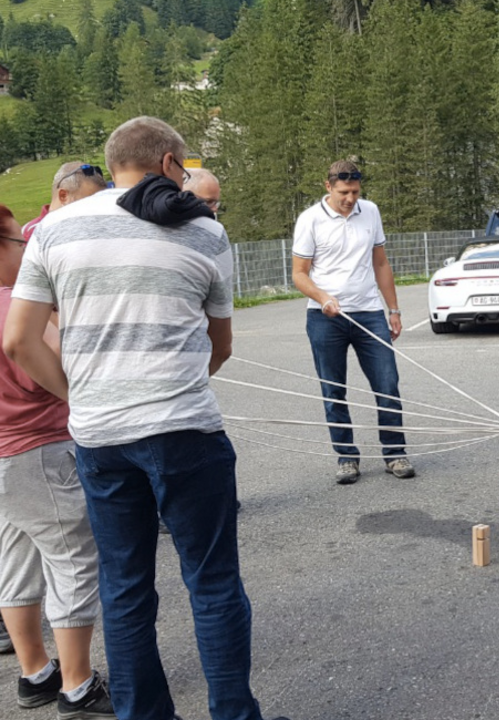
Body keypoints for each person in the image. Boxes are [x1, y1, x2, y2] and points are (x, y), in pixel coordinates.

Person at [3, 116, 289, 720]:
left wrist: (82, 398)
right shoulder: (204, 233)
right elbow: (221, 344)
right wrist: (172, 386)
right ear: (167, 164)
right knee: (212, 583)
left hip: (101, 437)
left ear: (112, 165)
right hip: (185, 428)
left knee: (126, 588)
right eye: (183, 167)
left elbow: (20, 342)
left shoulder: (53, 230)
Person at [0, 204, 115, 718]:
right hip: (37, 447)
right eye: (18, 243)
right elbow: (46, 355)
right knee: (72, 559)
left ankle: (35, 673)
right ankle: (77, 683)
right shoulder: (12, 305)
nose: (26, 253)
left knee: (16, 561)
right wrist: (76, 393)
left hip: (4, 456)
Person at [291, 160, 414, 484]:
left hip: (369, 313)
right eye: (344, 192)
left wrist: (394, 309)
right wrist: (323, 298)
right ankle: (346, 457)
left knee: (387, 384)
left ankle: (395, 453)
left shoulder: (370, 212)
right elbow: (299, 274)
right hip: (324, 318)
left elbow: (381, 263)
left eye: (355, 192)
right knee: (333, 389)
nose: (350, 199)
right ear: (328, 186)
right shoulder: (310, 220)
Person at [21, 162, 109, 241]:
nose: (95, 211)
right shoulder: (32, 234)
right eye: (87, 203)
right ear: (63, 196)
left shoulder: (93, 227)